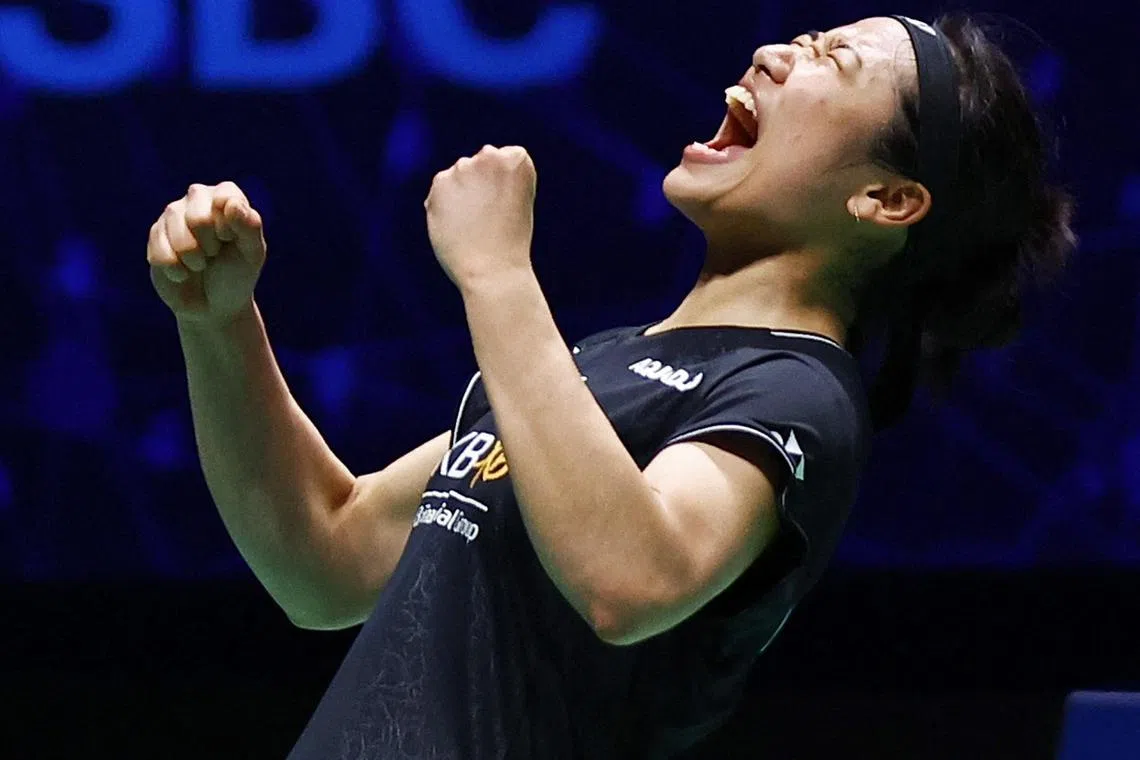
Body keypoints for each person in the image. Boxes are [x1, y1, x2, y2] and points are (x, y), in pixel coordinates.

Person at [146, 13, 1075, 759]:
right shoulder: (598, 363)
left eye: (834, 58)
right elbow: (327, 557)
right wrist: (220, 325)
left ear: (885, 201)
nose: (775, 53)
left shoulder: (799, 394)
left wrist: (499, 275)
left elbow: (632, 580)